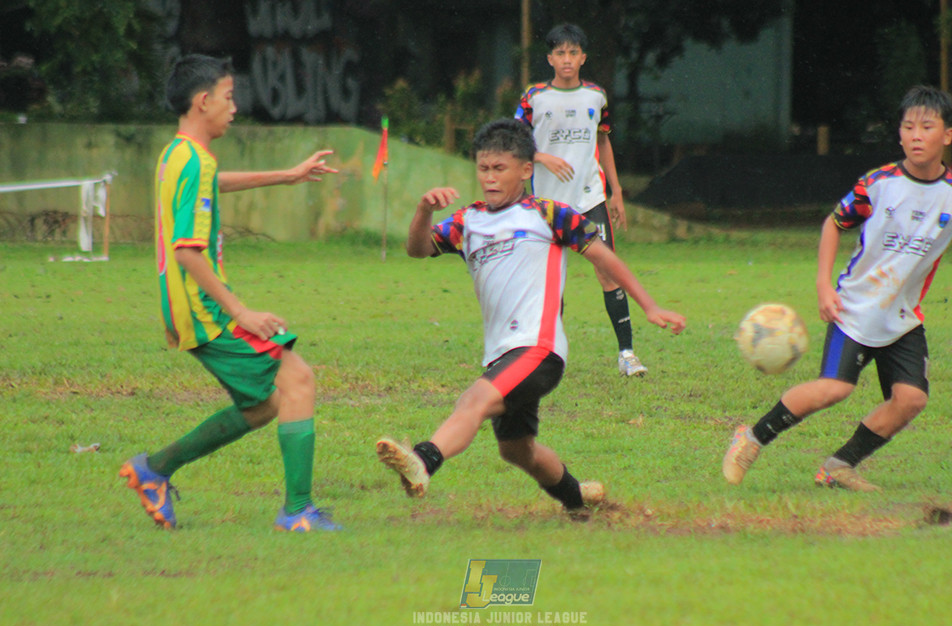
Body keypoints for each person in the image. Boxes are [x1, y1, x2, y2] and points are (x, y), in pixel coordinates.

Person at [375, 118, 685, 514]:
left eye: (499, 168)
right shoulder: (468, 221)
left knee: (472, 400)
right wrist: (422, 211)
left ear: (525, 170)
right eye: (483, 169)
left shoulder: (548, 214)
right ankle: (579, 501)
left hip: (540, 350)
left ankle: (423, 459)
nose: (489, 178)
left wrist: (650, 306)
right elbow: (418, 249)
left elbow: (607, 259)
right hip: (502, 355)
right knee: (517, 451)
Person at [724, 85, 952, 491]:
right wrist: (823, 286)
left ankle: (838, 466)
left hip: (903, 319)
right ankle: (749, 439)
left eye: (927, 127)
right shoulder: (879, 183)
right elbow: (834, 223)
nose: (916, 135)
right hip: (853, 310)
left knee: (911, 399)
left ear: (948, 135)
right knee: (834, 388)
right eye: (908, 127)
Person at [119, 54, 341, 531]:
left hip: (182, 308)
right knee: (297, 380)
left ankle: (153, 469)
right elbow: (187, 250)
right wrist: (241, 312)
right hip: (205, 311)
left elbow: (209, 186)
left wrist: (286, 175)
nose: (234, 106)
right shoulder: (194, 161)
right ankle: (297, 512)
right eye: (228, 96)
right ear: (204, 102)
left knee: (265, 404)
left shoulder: (177, 155)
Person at [515, 23, 645, 377]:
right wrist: (542, 158)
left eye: (573, 53)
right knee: (548, 281)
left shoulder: (595, 96)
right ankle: (548, 354)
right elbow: (515, 141)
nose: (567, 59)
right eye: (560, 53)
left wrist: (615, 192)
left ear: (583, 58)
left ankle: (627, 353)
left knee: (608, 272)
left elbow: (603, 142)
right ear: (550, 58)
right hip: (546, 206)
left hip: (589, 199)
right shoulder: (534, 98)